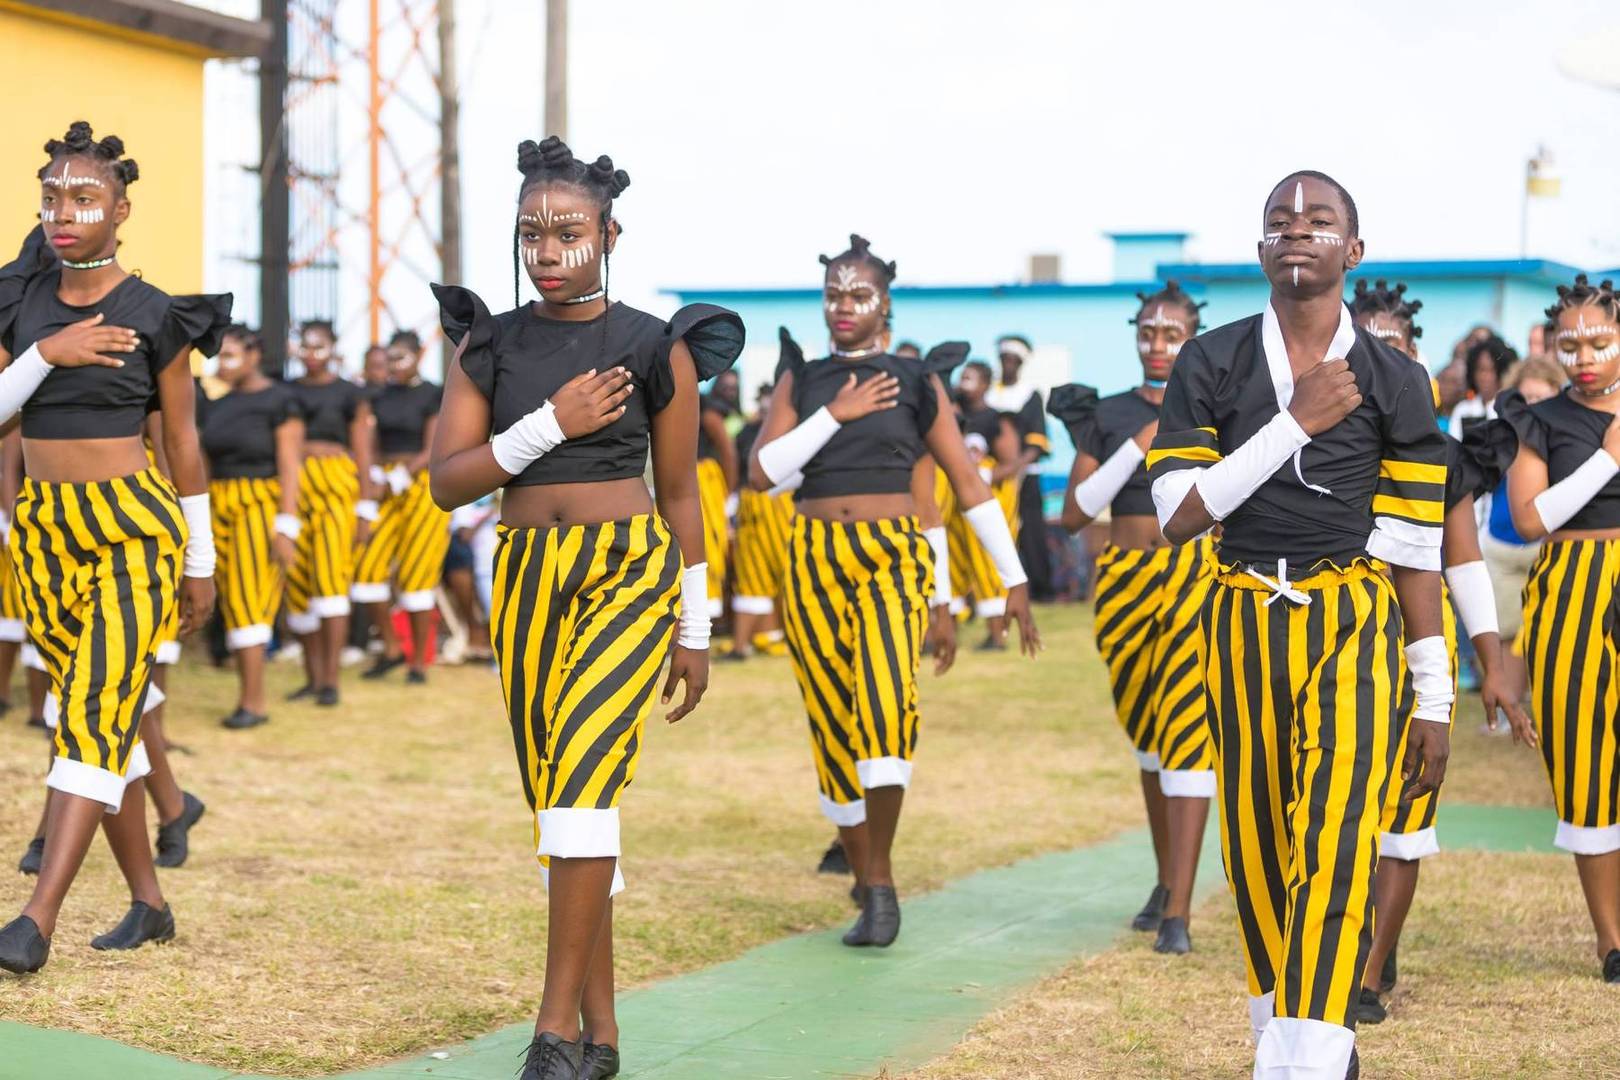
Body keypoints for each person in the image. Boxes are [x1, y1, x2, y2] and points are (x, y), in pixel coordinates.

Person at [430, 135, 742, 1080]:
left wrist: (695, 626)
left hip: (626, 570)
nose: (548, 250)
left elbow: (680, 492)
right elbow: (447, 482)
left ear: (609, 234)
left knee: (580, 781)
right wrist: (548, 425)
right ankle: (602, 1035)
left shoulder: (653, 344)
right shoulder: (488, 343)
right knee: (562, 800)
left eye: (568, 232)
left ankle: (552, 1030)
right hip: (525, 572)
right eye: (532, 233)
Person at [1150, 171, 1452, 1077]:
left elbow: (1415, 549)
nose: (1296, 231)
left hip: (1352, 615)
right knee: (1256, 845)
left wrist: (1434, 696)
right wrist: (1294, 424)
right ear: (1260, 250)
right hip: (1241, 612)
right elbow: (1180, 515)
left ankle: (1310, 1057)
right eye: (1279, 220)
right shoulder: (1211, 360)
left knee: (1336, 834)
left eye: (1319, 221)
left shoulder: (1398, 379)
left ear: (1352, 251)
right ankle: (1288, 1037)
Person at [750, 234, 1037, 952]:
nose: (844, 307)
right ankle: (864, 870)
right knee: (830, 721)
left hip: (893, 555)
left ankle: (878, 882)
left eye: (859, 295)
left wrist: (1013, 578)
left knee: (885, 705)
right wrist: (835, 414)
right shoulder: (803, 379)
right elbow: (763, 472)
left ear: (885, 302)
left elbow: (966, 485)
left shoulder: (916, 381)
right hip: (813, 554)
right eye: (833, 295)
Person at [0, 122, 227, 973]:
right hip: (45, 528)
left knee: (92, 713)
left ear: (120, 210)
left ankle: (35, 921)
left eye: (84, 197)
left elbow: (184, 444)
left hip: (133, 526)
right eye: (52, 197)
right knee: (99, 717)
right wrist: (45, 354)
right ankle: (149, 903)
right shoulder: (18, 302)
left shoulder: (156, 312)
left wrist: (200, 562)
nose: (64, 211)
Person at [1347, 278, 1525, 1022]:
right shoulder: (1313, 439)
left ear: (1415, 360)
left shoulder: (1440, 451)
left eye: (1394, 350)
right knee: (1338, 803)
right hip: (1335, 639)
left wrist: (1493, 661)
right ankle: (1345, 943)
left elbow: (1462, 561)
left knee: (1405, 812)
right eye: (1366, 350)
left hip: (1417, 646)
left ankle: (1369, 970)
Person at [1051, 280, 1214, 955]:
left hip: (1193, 577)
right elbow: (1074, 514)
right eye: (1148, 332)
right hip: (1123, 582)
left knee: (1188, 732)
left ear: (1192, 338)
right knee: (1148, 737)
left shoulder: (1214, 407)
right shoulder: (1111, 413)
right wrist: (1136, 446)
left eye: (1172, 333)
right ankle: (1164, 880)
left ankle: (1179, 910)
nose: (1158, 344)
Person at [1499, 274, 1620, 985]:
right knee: (1585, 760)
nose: (1584, 358)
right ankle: (1612, 941)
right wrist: (1608, 457)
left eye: (1599, 343)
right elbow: (1530, 519)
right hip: (1572, 589)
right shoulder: (1537, 421)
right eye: (1570, 345)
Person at [201, 325, 304, 729]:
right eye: (219, 356)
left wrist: (286, 524)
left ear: (253, 355)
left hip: (259, 502)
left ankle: (253, 702)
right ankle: (248, 697)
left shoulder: (279, 400)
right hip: (219, 502)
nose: (222, 364)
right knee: (232, 600)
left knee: (249, 599)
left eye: (230, 355)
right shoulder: (216, 403)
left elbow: (290, 465)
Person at [284, 319, 375, 705]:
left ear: (333, 348)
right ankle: (312, 676)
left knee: (331, 578)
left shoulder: (350, 393)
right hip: (294, 485)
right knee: (297, 581)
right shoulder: (285, 391)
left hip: (336, 487)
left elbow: (363, 449)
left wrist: (365, 506)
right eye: (305, 346)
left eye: (319, 347)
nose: (311, 354)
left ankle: (331, 681)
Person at [352, 329, 449, 684]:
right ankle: (392, 649)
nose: (394, 365)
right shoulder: (378, 395)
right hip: (385, 483)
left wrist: (400, 476)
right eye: (390, 359)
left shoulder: (433, 393)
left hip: (421, 483)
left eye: (401, 358)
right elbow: (370, 442)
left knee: (417, 573)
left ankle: (418, 662)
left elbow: (433, 446)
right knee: (366, 568)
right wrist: (375, 477)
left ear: (418, 356)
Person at [1480, 355, 1565, 707]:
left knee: (1552, 631)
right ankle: (1510, 711)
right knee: (1506, 633)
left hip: (1548, 546)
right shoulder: (1502, 433)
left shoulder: (1569, 439)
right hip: (1500, 545)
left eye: (1541, 397)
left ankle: (1548, 705)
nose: (1533, 405)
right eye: (1526, 397)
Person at [952, 360, 1023, 648]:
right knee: (955, 563)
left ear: (984, 384)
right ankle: (946, 633)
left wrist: (981, 476)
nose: (963, 383)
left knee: (990, 564)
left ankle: (998, 635)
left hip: (988, 497)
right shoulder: (953, 416)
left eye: (969, 378)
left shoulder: (997, 420)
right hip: (956, 500)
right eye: (962, 377)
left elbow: (1011, 462)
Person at [725, 378, 793, 661]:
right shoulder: (747, 432)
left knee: (786, 574)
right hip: (755, 503)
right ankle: (744, 644)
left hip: (784, 504)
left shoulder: (794, 429)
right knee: (753, 574)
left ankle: (772, 637)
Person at [988, 334, 1054, 600]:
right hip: (992, 477)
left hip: (1026, 475)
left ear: (1021, 363)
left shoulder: (1030, 395)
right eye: (1004, 359)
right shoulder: (989, 393)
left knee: (1031, 532)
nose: (1008, 364)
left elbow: (1037, 441)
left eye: (1013, 360)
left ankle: (1040, 588)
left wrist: (1016, 467)